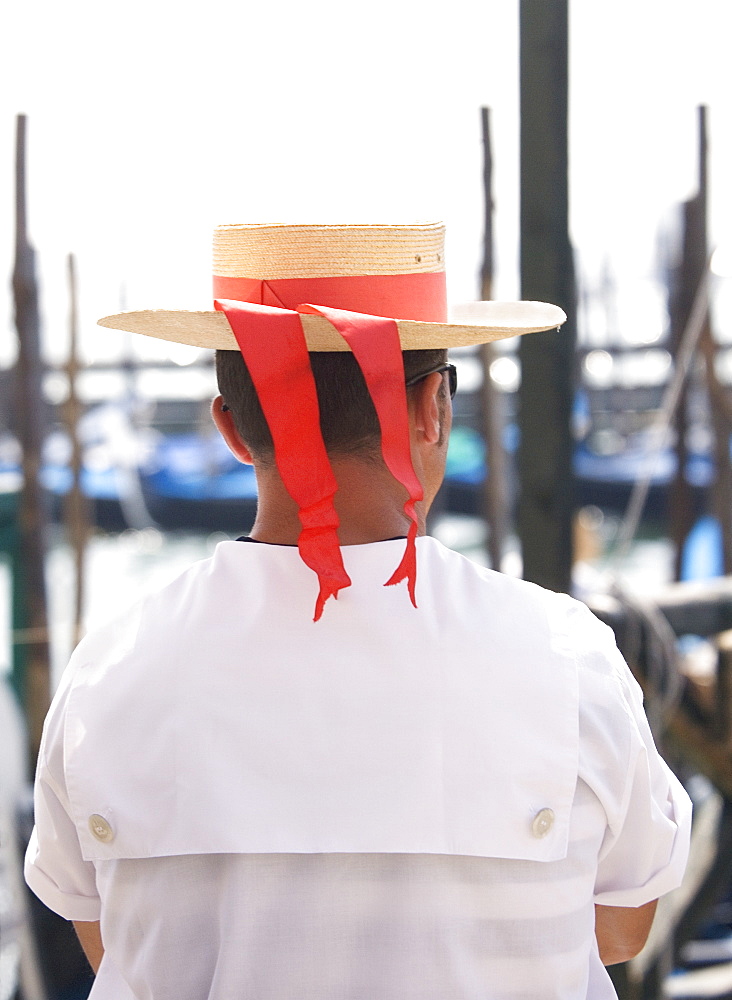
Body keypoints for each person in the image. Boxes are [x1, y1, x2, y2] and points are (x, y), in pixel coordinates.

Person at [25, 222, 691, 999]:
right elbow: (622, 925)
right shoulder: (566, 656)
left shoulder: (108, 671)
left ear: (234, 429)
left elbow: (108, 940)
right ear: (436, 409)